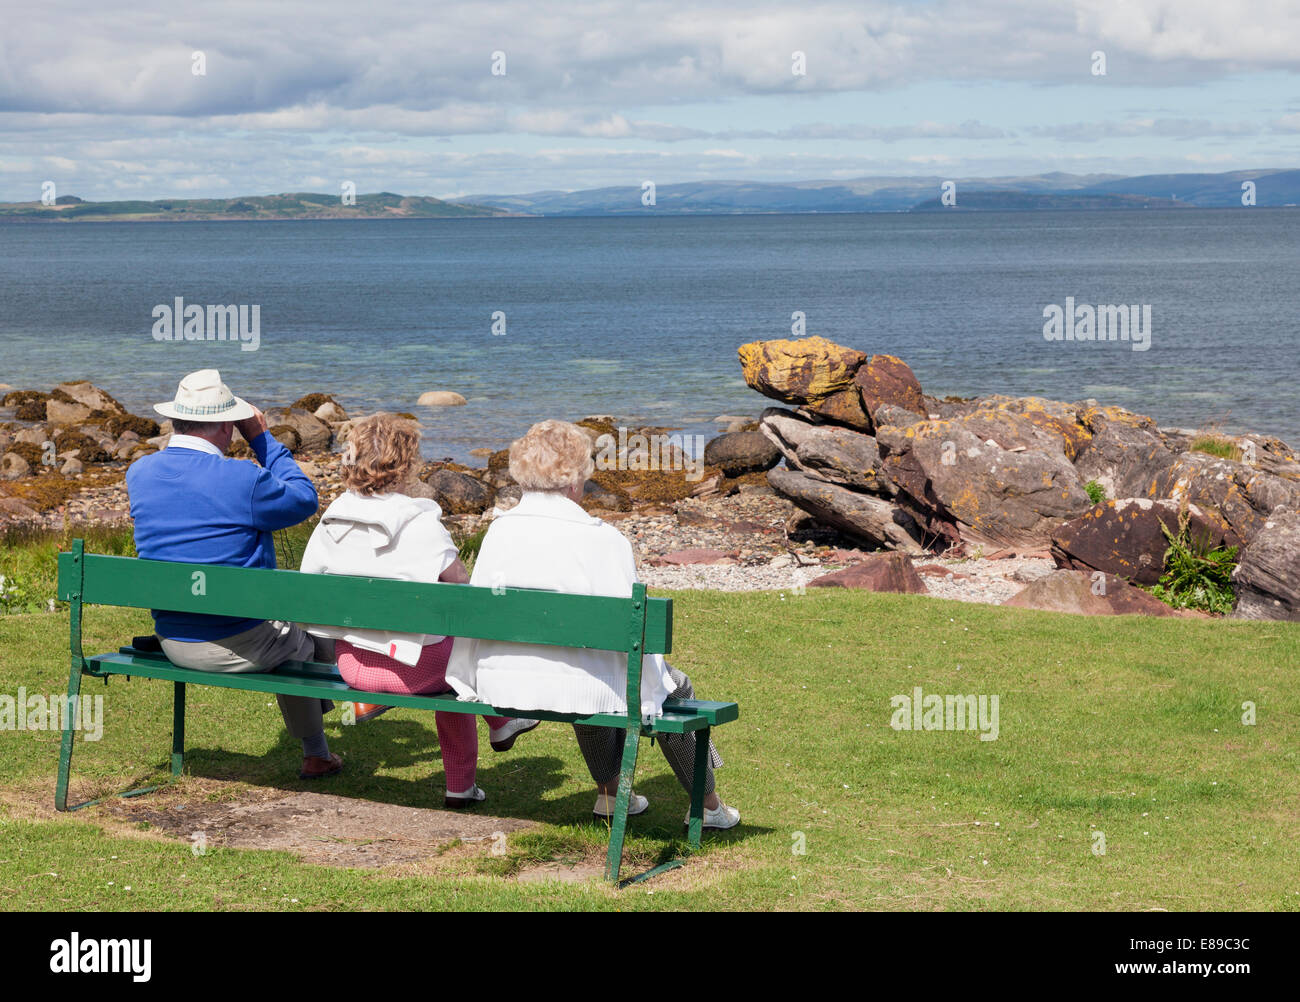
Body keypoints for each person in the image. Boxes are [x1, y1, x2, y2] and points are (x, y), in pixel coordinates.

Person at [447, 420, 740, 829]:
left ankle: (610, 793)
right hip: (575, 682)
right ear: (574, 479)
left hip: (504, 678)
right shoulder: (602, 538)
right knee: (667, 687)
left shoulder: (498, 532)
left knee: (591, 668)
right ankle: (709, 806)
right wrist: (657, 681)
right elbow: (627, 632)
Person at [299, 413, 537, 808]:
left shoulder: (331, 518)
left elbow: (310, 590)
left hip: (353, 666)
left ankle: (497, 727)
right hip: (416, 673)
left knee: (444, 649)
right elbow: (462, 588)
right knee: (460, 662)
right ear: (406, 464)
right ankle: (472, 768)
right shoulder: (420, 520)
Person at [126, 369, 341, 779]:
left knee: (293, 632)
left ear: (176, 420)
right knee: (308, 635)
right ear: (227, 426)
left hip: (173, 638)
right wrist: (261, 439)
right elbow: (304, 499)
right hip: (239, 643)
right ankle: (317, 750)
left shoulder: (139, 473)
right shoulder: (243, 479)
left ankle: (321, 747)